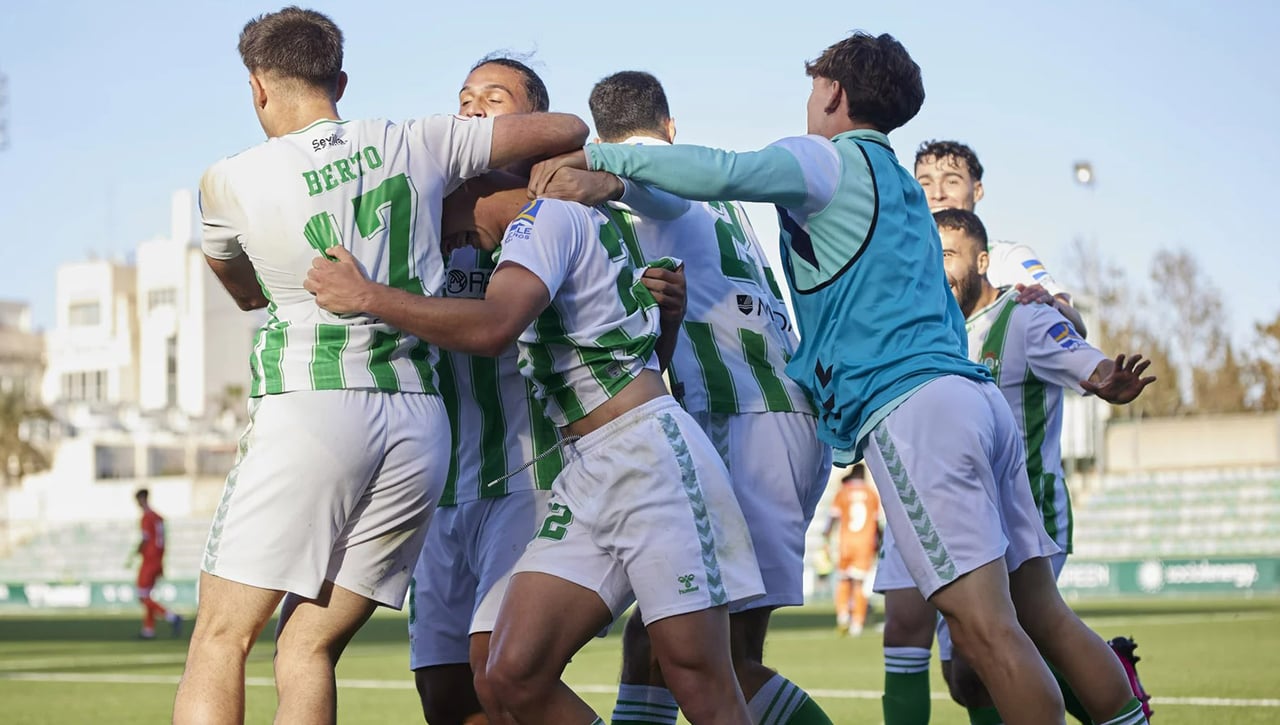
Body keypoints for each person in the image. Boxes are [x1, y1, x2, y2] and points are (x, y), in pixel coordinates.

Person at [530, 30, 1150, 725]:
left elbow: (724, 169)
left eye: (812, 86)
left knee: (984, 632)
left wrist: (601, 160)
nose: (807, 101)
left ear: (834, 92)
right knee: (1041, 613)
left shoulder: (825, 158)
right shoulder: (904, 188)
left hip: (908, 409)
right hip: (972, 396)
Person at [173, 7, 588, 724]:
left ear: (257, 88)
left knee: (220, 637)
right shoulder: (417, 141)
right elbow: (569, 129)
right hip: (418, 424)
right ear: (339, 81)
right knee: (307, 646)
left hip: (313, 403)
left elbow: (242, 291)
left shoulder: (229, 179)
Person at [306, 178, 763, 724]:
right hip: (587, 467)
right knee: (509, 675)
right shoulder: (563, 227)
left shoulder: (544, 219)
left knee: (697, 677)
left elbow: (494, 328)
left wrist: (365, 296)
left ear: (478, 176)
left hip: (648, 460)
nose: (434, 230)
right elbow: (632, 357)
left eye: (436, 201)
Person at [580, 70, 834, 725]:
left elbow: (646, 191)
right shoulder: (710, 185)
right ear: (670, 126)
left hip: (739, 421)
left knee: (720, 656)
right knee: (654, 639)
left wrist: (591, 175)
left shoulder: (633, 178)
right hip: (774, 412)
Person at [905, 208, 1153, 724]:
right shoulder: (939, 331)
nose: (939, 268)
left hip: (1029, 508)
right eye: (931, 255)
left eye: (949, 255)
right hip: (971, 513)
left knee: (1004, 645)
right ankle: (1109, 672)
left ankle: (1117, 696)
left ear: (983, 262)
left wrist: (1105, 377)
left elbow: (1081, 355)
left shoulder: (1023, 315)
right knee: (969, 677)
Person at [913, 140, 1088, 338]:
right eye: (925, 183)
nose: (937, 194)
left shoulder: (1006, 257)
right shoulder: (902, 262)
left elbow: (1076, 324)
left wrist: (1052, 304)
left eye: (951, 181)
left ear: (977, 191)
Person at [823, 465, 879, 636]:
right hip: (865, 543)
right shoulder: (871, 493)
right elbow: (877, 522)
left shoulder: (843, 492)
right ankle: (857, 624)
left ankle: (843, 617)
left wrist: (826, 536)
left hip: (846, 543)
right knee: (859, 583)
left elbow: (832, 517)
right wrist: (879, 543)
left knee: (843, 579)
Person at [130, 488, 182, 639]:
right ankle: (148, 630)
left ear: (142, 499)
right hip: (158, 559)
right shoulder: (158, 517)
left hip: (149, 560)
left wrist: (136, 552)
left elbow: (145, 539)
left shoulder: (146, 518)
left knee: (142, 596)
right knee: (147, 595)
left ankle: (172, 617)